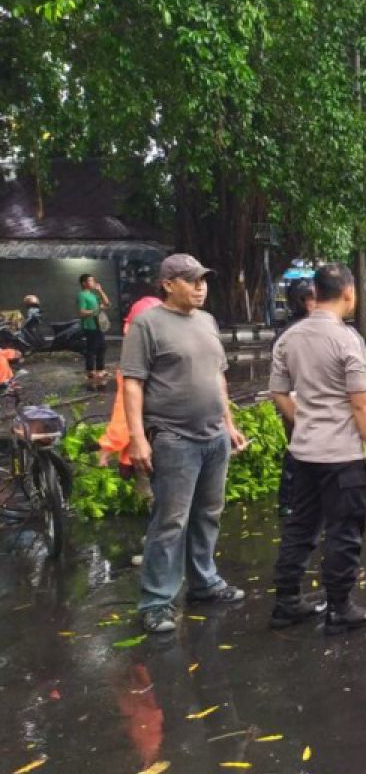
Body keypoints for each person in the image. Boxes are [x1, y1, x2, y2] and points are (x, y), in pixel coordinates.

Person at [122, 254, 248, 633]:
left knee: (208, 513)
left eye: (203, 280)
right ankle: (157, 601)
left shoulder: (207, 321)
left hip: (213, 435)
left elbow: (218, 377)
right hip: (174, 437)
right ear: (168, 283)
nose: (201, 287)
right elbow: (132, 382)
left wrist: (229, 422)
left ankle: (204, 582)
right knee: (171, 521)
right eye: (192, 280)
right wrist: (138, 438)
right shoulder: (147, 324)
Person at [268, 263, 366, 634]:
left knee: (300, 526)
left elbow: (278, 392)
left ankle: (287, 602)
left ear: (315, 294)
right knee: (343, 531)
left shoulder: (289, 338)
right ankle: (340, 607)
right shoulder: (347, 339)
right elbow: (362, 404)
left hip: (303, 453)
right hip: (341, 456)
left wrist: (303, 422)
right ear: (349, 293)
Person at [98, 282, 164, 478]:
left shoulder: (134, 365)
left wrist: (108, 446)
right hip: (186, 444)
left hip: (148, 449)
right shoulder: (178, 357)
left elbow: (124, 411)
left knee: (157, 501)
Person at [271, 279, 315, 518]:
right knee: (296, 452)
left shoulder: (310, 327)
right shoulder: (292, 332)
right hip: (296, 401)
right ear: (305, 301)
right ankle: (288, 501)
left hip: (308, 400)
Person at [78, 272, 111, 382]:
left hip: (98, 325)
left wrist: (100, 290)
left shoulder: (93, 295)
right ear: (84, 283)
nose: (94, 282)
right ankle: (90, 371)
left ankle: (100, 370)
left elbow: (107, 303)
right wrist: (96, 310)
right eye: (91, 280)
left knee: (102, 347)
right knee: (92, 349)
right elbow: (81, 312)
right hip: (90, 326)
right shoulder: (82, 295)